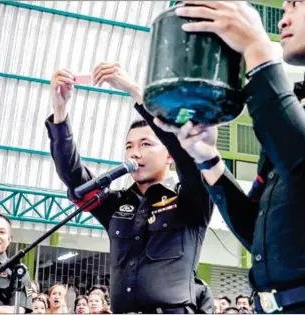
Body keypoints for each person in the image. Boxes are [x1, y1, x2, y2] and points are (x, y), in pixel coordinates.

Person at [153, 1, 305, 313]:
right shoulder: (293, 111)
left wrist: (258, 51)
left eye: (296, 5)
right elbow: (257, 232)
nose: (281, 21)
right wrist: (208, 160)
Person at [46, 62, 213, 313]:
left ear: (169, 155)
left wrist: (135, 91)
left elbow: (188, 156)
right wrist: (60, 112)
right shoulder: (116, 203)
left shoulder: (190, 199)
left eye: (146, 144)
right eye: (129, 146)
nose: (135, 153)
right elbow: (75, 178)